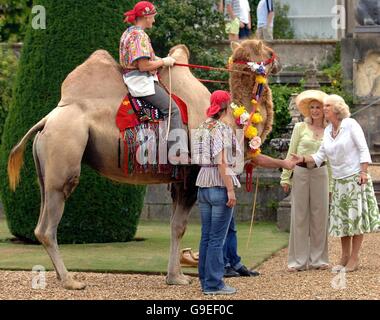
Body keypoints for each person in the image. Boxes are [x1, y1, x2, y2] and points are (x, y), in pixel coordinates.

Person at [193, 90, 295, 295]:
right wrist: (230, 189)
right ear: (226, 106)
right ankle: (213, 284)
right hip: (219, 184)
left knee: (206, 237)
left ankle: (206, 280)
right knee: (216, 239)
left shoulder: (201, 127)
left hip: (203, 183)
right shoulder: (222, 129)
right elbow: (222, 161)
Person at [291, 94, 380, 273]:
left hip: (355, 178)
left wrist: (364, 172)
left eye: (327, 106)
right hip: (339, 182)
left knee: (355, 220)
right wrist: (301, 158)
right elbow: (319, 156)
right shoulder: (328, 129)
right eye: (324, 106)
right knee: (342, 221)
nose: (324, 109)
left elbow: (363, 149)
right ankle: (344, 256)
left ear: (337, 108)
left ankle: (354, 258)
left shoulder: (350, 124)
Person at [120, 1, 188, 164]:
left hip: (134, 77)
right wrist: (163, 62)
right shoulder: (140, 36)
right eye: (153, 17)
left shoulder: (129, 32)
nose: (154, 20)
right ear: (145, 16)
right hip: (141, 81)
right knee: (173, 110)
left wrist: (160, 59)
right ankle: (177, 153)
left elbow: (145, 58)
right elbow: (143, 66)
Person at [280, 90, 331, 272]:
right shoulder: (300, 128)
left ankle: (319, 259)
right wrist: (286, 177)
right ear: (307, 110)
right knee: (299, 217)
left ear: (324, 110)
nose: (315, 111)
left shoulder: (330, 130)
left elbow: (330, 159)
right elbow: (291, 153)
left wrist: (331, 185)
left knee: (320, 217)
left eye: (318, 107)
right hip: (301, 173)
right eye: (312, 108)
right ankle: (297, 261)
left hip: (321, 173)